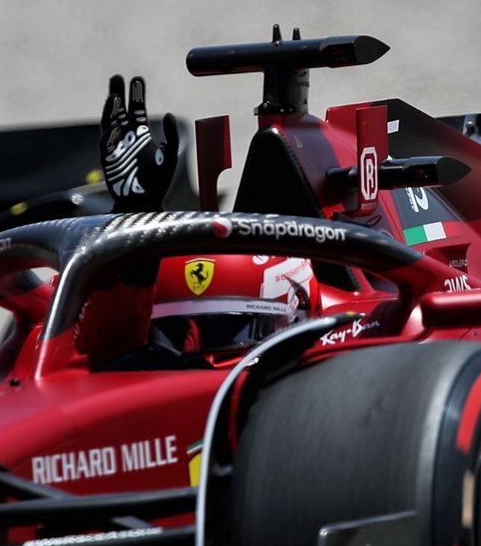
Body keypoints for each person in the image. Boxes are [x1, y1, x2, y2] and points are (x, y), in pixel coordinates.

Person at [91, 74, 318, 367]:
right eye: (169, 333)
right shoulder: (161, 367)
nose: (209, 357)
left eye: (236, 331)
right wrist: (135, 212)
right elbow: (106, 346)